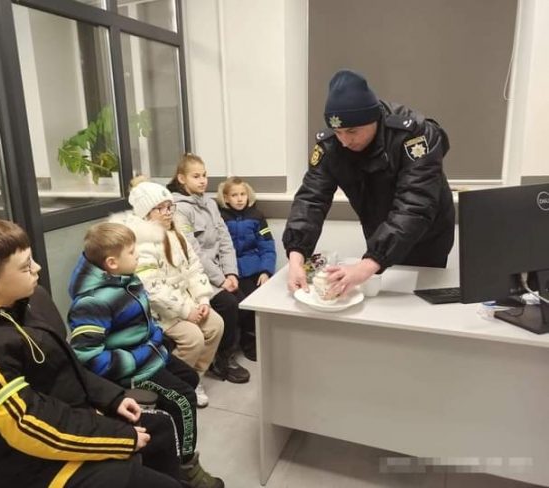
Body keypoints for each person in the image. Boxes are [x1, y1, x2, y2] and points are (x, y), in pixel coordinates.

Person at [0, 218, 183, 488]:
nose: (37, 268)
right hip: (37, 465)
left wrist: (110, 397)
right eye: (25, 266)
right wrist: (120, 438)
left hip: (68, 418)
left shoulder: (13, 306)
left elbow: (65, 366)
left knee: (160, 429)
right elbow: (30, 424)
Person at [67, 220, 224, 488]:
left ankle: (167, 440)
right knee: (184, 399)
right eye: (132, 251)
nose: (138, 254)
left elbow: (144, 322)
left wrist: (155, 339)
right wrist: (137, 357)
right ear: (112, 263)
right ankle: (186, 466)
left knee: (189, 378)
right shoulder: (92, 302)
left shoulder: (127, 278)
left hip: (149, 354)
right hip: (130, 370)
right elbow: (89, 358)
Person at [283, 70, 455, 299]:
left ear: (373, 118)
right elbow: (311, 199)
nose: (345, 141)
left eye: (352, 131)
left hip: (426, 235)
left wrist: (367, 265)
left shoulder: (414, 135)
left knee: (415, 300)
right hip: (379, 228)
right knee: (379, 296)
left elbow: (415, 205)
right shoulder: (332, 145)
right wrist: (296, 257)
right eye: (338, 132)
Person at [110, 178, 224, 408]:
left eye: (170, 206)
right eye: (160, 208)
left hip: (184, 302)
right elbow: (152, 290)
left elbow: (194, 268)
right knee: (193, 338)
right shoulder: (140, 242)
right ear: (145, 213)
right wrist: (186, 310)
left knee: (216, 325)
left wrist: (202, 299)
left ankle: (194, 378)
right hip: (159, 312)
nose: (168, 212)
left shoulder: (176, 234)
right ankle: (170, 383)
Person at [168, 154, 251, 384]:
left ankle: (229, 349)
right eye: (196, 176)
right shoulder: (178, 209)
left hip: (219, 272)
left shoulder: (209, 203)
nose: (203, 180)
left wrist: (231, 272)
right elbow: (193, 252)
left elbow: (225, 240)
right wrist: (220, 279)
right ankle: (221, 360)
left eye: (204, 175)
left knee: (243, 299)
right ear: (182, 178)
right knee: (229, 303)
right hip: (198, 275)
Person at [217, 176, 276, 360]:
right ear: (226, 198)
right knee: (236, 304)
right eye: (234, 195)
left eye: (242, 194)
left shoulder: (257, 216)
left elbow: (267, 246)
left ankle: (250, 341)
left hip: (253, 269)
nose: (239, 199)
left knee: (254, 303)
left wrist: (265, 271)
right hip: (228, 270)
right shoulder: (219, 217)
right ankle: (234, 343)